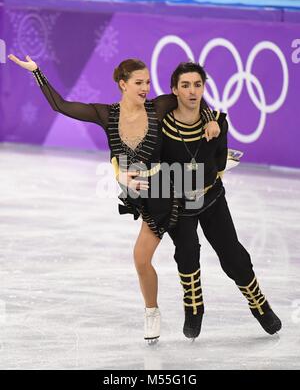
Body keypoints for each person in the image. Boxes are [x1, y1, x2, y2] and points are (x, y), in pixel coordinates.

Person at [8, 54, 220, 343]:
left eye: (147, 82)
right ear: (123, 84)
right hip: (136, 195)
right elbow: (61, 105)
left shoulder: (158, 107)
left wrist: (209, 120)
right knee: (154, 257)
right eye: (138, 83)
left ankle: (154, 312)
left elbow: (192, 99)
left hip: (162, 192)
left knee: (142, 257)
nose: (146, 87)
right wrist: (37, 72)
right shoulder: (106, 114)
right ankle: (157, 309)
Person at [160, 62, 282, 339]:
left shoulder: (217, 120)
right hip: (177, 203)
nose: (192, 91)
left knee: (233, 256)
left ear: (204, 87)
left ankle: (259, 303)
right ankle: (194, 307)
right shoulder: (162, 125)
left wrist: (212, 135)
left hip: (212, 197)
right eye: (185, 85)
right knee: (187, 252)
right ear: (174, 90)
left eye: (197, 84)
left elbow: (218, 162)